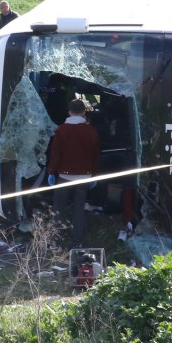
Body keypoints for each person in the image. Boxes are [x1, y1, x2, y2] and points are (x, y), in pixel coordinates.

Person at [47, 99, 101, 248]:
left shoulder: (61, 130)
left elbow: (56, 154)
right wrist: (94, 175)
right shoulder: (91, 131)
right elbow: (95, 156)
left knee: (58, 209)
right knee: (79, 210)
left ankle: (56, 242)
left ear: (69, 112)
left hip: (64, 176)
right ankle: (77, 243)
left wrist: (52, 172)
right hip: (84, 177)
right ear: (84, 112)